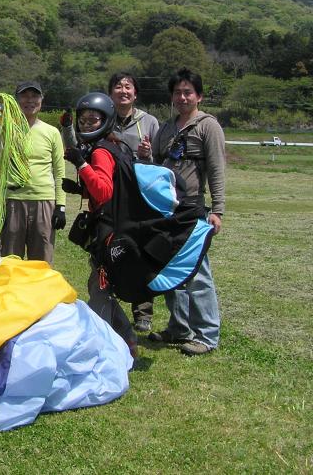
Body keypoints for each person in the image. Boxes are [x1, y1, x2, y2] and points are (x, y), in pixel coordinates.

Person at [149, 69, 225, 356]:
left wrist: (218, 210)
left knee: (197, 272)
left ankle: (207, 335)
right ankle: (179, 328)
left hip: (193, 208)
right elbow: (156, 166)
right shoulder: (166, 128)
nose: (182, 97)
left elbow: (217, 169)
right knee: (171, 271)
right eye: (177, 93)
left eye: (188, 92)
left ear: (199, 96)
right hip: (166, 209)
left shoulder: (208, 126)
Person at [63, 92, 138, 359]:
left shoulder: (102, 151)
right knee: (100, 284)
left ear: (105, 120)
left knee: (100, 287)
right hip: (114, 224)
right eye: (83, 121)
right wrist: (79, 190)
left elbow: (104, 192)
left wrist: (81, 164)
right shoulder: (110, 145)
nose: (87, 125)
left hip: (109, 229)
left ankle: (102, 344)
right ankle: (126, 338)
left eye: (93, 120)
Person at [107, 72, 160, 333]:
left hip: (140, 197)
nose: (123, 91)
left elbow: (160, 162)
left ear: (135, 93)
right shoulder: (103, 119)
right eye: (118, 87)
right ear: (110, 94)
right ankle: (109, 307)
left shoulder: (149, 122)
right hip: (111, 196)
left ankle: (143, 311)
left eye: (128, 87)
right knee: (109, 250)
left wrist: (148, 156)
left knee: (139, 253)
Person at [0, 81, 66, 263]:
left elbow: (59, 171)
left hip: (44, 201)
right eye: (24, 96)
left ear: (41, 100)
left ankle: (41, 293)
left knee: (41, 262)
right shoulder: (6, 130)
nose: (30, 100)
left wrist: (60, 205)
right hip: (12, 201)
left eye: (34, 96)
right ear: (16, 100)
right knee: (10, 260)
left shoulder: (51, 132)